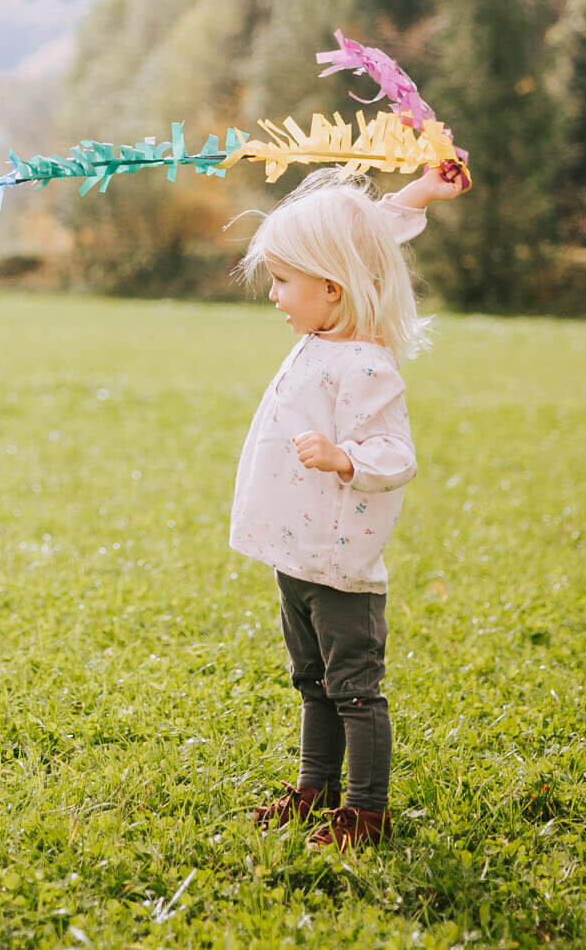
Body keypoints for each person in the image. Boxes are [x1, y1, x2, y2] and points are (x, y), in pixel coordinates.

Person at [232, 164, 462, 848]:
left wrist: (344, 458)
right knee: (312, 681)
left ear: (332, 290)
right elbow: (363, 238)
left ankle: (365, 809)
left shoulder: (364, 364)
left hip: (340, 564)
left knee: (354, 692)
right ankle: (315, 789)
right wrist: (418, 193)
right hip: (297, 555)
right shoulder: (322, 334)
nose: (274, 296)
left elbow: (397, 455)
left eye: (283, 282)